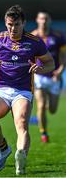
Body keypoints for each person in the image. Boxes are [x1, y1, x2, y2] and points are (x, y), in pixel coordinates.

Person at [0, 5, 54, 175]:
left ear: (24, 23)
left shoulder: (34, 42)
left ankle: (21, 159)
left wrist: (41, 69)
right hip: (2, 89)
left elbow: (50, 63)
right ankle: (4, 149)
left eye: (17, 24)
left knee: (21, 123)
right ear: (6, 23)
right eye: (10, 24)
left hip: (23, 91)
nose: (13, 28)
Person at [31, 11, 66, 143]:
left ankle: (44, 111)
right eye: (41, 18)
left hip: (54, 77)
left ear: (49, 20)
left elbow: (63, 56)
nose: (43, 21)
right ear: (37, 20)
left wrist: (61, 70)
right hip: (39, 76)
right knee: (41, 105)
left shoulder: (58, 36)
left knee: (52, 109)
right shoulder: (32, 36)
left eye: (46, 18)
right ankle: (43, 133)